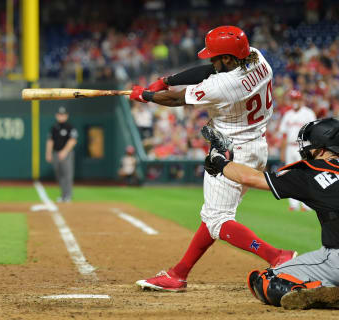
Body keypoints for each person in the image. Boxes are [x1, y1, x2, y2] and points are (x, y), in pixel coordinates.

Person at [131, 26, 296, 292]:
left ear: (229, 59)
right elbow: (208, 72)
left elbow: (175, 100)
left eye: (216, 56)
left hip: (231, 152)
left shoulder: (224, 85)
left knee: (218, 220)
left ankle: (277, 256)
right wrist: (166, 79)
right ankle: (178, 273)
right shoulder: (256, 57)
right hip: (255, 147)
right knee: (213, 215)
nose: (211, 61)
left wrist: (146, 96)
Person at [205, 118, 339, 309]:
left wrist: (218, 160)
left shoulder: (311, 173)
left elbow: (248, 178)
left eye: (309, 145)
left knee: (267, 281)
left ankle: (327, 292)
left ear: (322, 148)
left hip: (335, 260)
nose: (305, 150)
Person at [278, 90, 316, 211]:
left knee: (305, 175)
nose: (295, 102)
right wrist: (283, 151)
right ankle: (293, 204)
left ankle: (306, 205)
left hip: (303, 146)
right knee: (289, 175)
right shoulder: (287, 114)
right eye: (293, 99)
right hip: (289, 147)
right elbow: (284, 134)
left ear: (301, 100)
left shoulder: (308, 113)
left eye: (297, 99)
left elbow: (313, 132)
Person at [45, 106, 78, 203]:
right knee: (59, 174)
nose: (61, 116)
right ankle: (63, 195)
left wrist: (64, 151)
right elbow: (50, 141)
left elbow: (73, 140)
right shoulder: (54, 127)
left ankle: (68, 195)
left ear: (66, 116)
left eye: (63, 115)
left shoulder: (70, 127)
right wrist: (48, 153)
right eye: (59, 115)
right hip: (56, 153)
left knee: (67, 174)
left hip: (66, 153)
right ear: (57, 116)